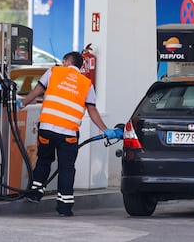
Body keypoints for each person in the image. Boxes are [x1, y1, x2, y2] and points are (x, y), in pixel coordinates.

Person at [17, 51, 121, 217]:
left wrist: (21, 104)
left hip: (47, 129)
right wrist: (105, 129)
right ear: (80, 66)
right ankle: (64, 207)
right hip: (69, 134)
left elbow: (37, 90)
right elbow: (92, 109)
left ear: (66, 61)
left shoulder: (54, 71)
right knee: (66, 168)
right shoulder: (86, 83)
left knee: (44, 160)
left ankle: (35, 193)